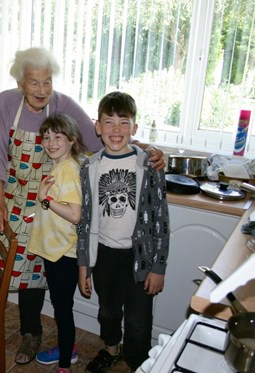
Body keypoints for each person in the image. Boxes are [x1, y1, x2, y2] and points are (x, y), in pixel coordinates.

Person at [0, 47, 166, 365]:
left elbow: (102, 140)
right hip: (7, 197)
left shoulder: (64, 105)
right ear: (20, 83)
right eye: (34, 83)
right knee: (0, 268)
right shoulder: (5, 102)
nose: (42, 90)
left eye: (47, 81)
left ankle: (30, 333)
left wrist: (148, 149)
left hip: (48, 203)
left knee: (34, 275)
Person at [77, 91, 170, 372]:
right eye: (109, 122)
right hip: (104, 255)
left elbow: (160, 219)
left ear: (135, 128)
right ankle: (111, 349)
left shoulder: (149, 165)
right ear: (97, 126)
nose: (116, 130)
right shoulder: (90, 167)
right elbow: (84, 221)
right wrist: (84, 265)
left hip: (140, 258)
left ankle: (138, 362)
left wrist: (159, 266)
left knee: (139, 320)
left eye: (124, 122)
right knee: (107, 311)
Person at [28, 113, 85, 373]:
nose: (51, 143)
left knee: (62, 310)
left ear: (72, 139)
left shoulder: (68, 170)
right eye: (47, 137)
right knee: (61, 306)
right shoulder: (60, 166)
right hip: (57, 252)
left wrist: (45, 199)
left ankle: (64, 364)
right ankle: (69, 349)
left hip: (64, 254)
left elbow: (75, 214)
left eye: (58, 137)